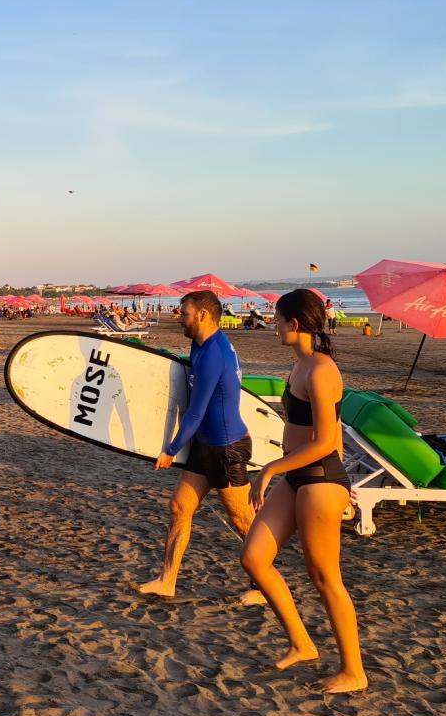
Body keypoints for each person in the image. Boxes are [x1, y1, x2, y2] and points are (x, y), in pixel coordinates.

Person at [240, 288, 366, 694]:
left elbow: (326, 440)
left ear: (294, 324)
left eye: (277, 320)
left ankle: (353, 672)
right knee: (254, 557)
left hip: (319, 479)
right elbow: (329, 432)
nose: (273, 327)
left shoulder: (321, 370)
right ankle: (301, 643)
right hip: (299, 476)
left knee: (325, 577)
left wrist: (272, 469)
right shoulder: (300, 366)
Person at [143, 290, 259, 601]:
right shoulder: (200, 344)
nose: (179, 318)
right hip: (205, 445)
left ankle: (263, 586)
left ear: (203, 315)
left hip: (226, 447)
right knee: (179, 507)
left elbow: (196, 411)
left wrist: (170, 450)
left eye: (184, 313)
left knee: (243, 520)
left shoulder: (214, 354)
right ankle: (167, 580)